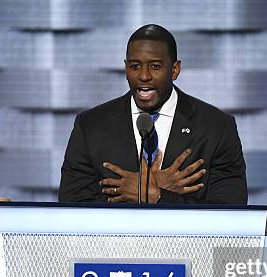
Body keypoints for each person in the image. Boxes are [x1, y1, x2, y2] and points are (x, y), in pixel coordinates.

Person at [59, 24, 247, 204]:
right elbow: (72, 205)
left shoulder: (216, 127)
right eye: (135, 66)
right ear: (126, 68)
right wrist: (143, 192)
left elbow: (230, 210)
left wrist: (158, 196)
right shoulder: (90, 126)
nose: (144, 76)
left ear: (175, 70)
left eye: (155, 66)